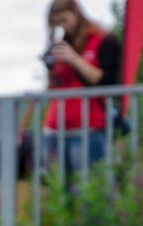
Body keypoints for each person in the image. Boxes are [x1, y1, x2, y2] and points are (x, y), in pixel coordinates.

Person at [42, 0, 123, 174]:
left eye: (64, 20)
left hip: (89, 129)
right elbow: (51, 91)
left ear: (76, 11)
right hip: (56, 130)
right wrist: (49, 68)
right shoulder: (62, 46)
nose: (63, 27)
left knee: (90, 185)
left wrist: (74, 59)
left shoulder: (103, 39)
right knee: (59, 189)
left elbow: (107, 81)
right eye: (58, 24)